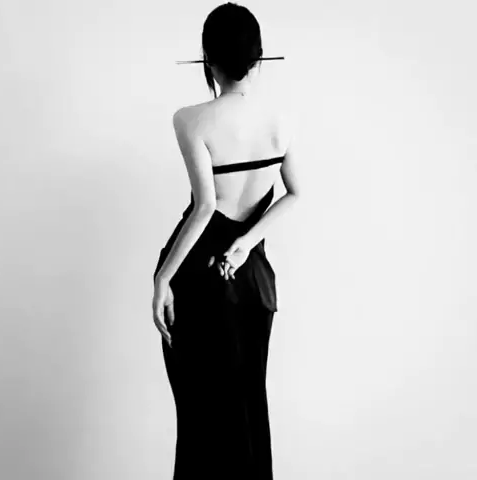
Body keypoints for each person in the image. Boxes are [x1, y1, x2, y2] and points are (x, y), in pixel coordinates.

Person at [152, 3, 301, 479]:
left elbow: (204, 208)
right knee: (248, 408)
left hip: (197, 281)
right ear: (259, 57)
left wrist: (162, 279)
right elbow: (296, 193)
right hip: (253, 282)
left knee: (201, 417)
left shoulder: (189, 119)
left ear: (207, 59)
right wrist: (247, 242)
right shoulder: (281, 121)